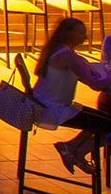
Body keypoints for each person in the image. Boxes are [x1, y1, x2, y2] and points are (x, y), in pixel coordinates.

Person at [34, 18, 111, 174]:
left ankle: (71, 148)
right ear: (69, 34)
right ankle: (76, 151)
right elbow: (95, 85)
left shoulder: (58, 50)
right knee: (107, 124)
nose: (86, 37)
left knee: (102, 120)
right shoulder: (66, 55)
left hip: (47, 104)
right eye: (82, 33)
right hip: (54, 109)